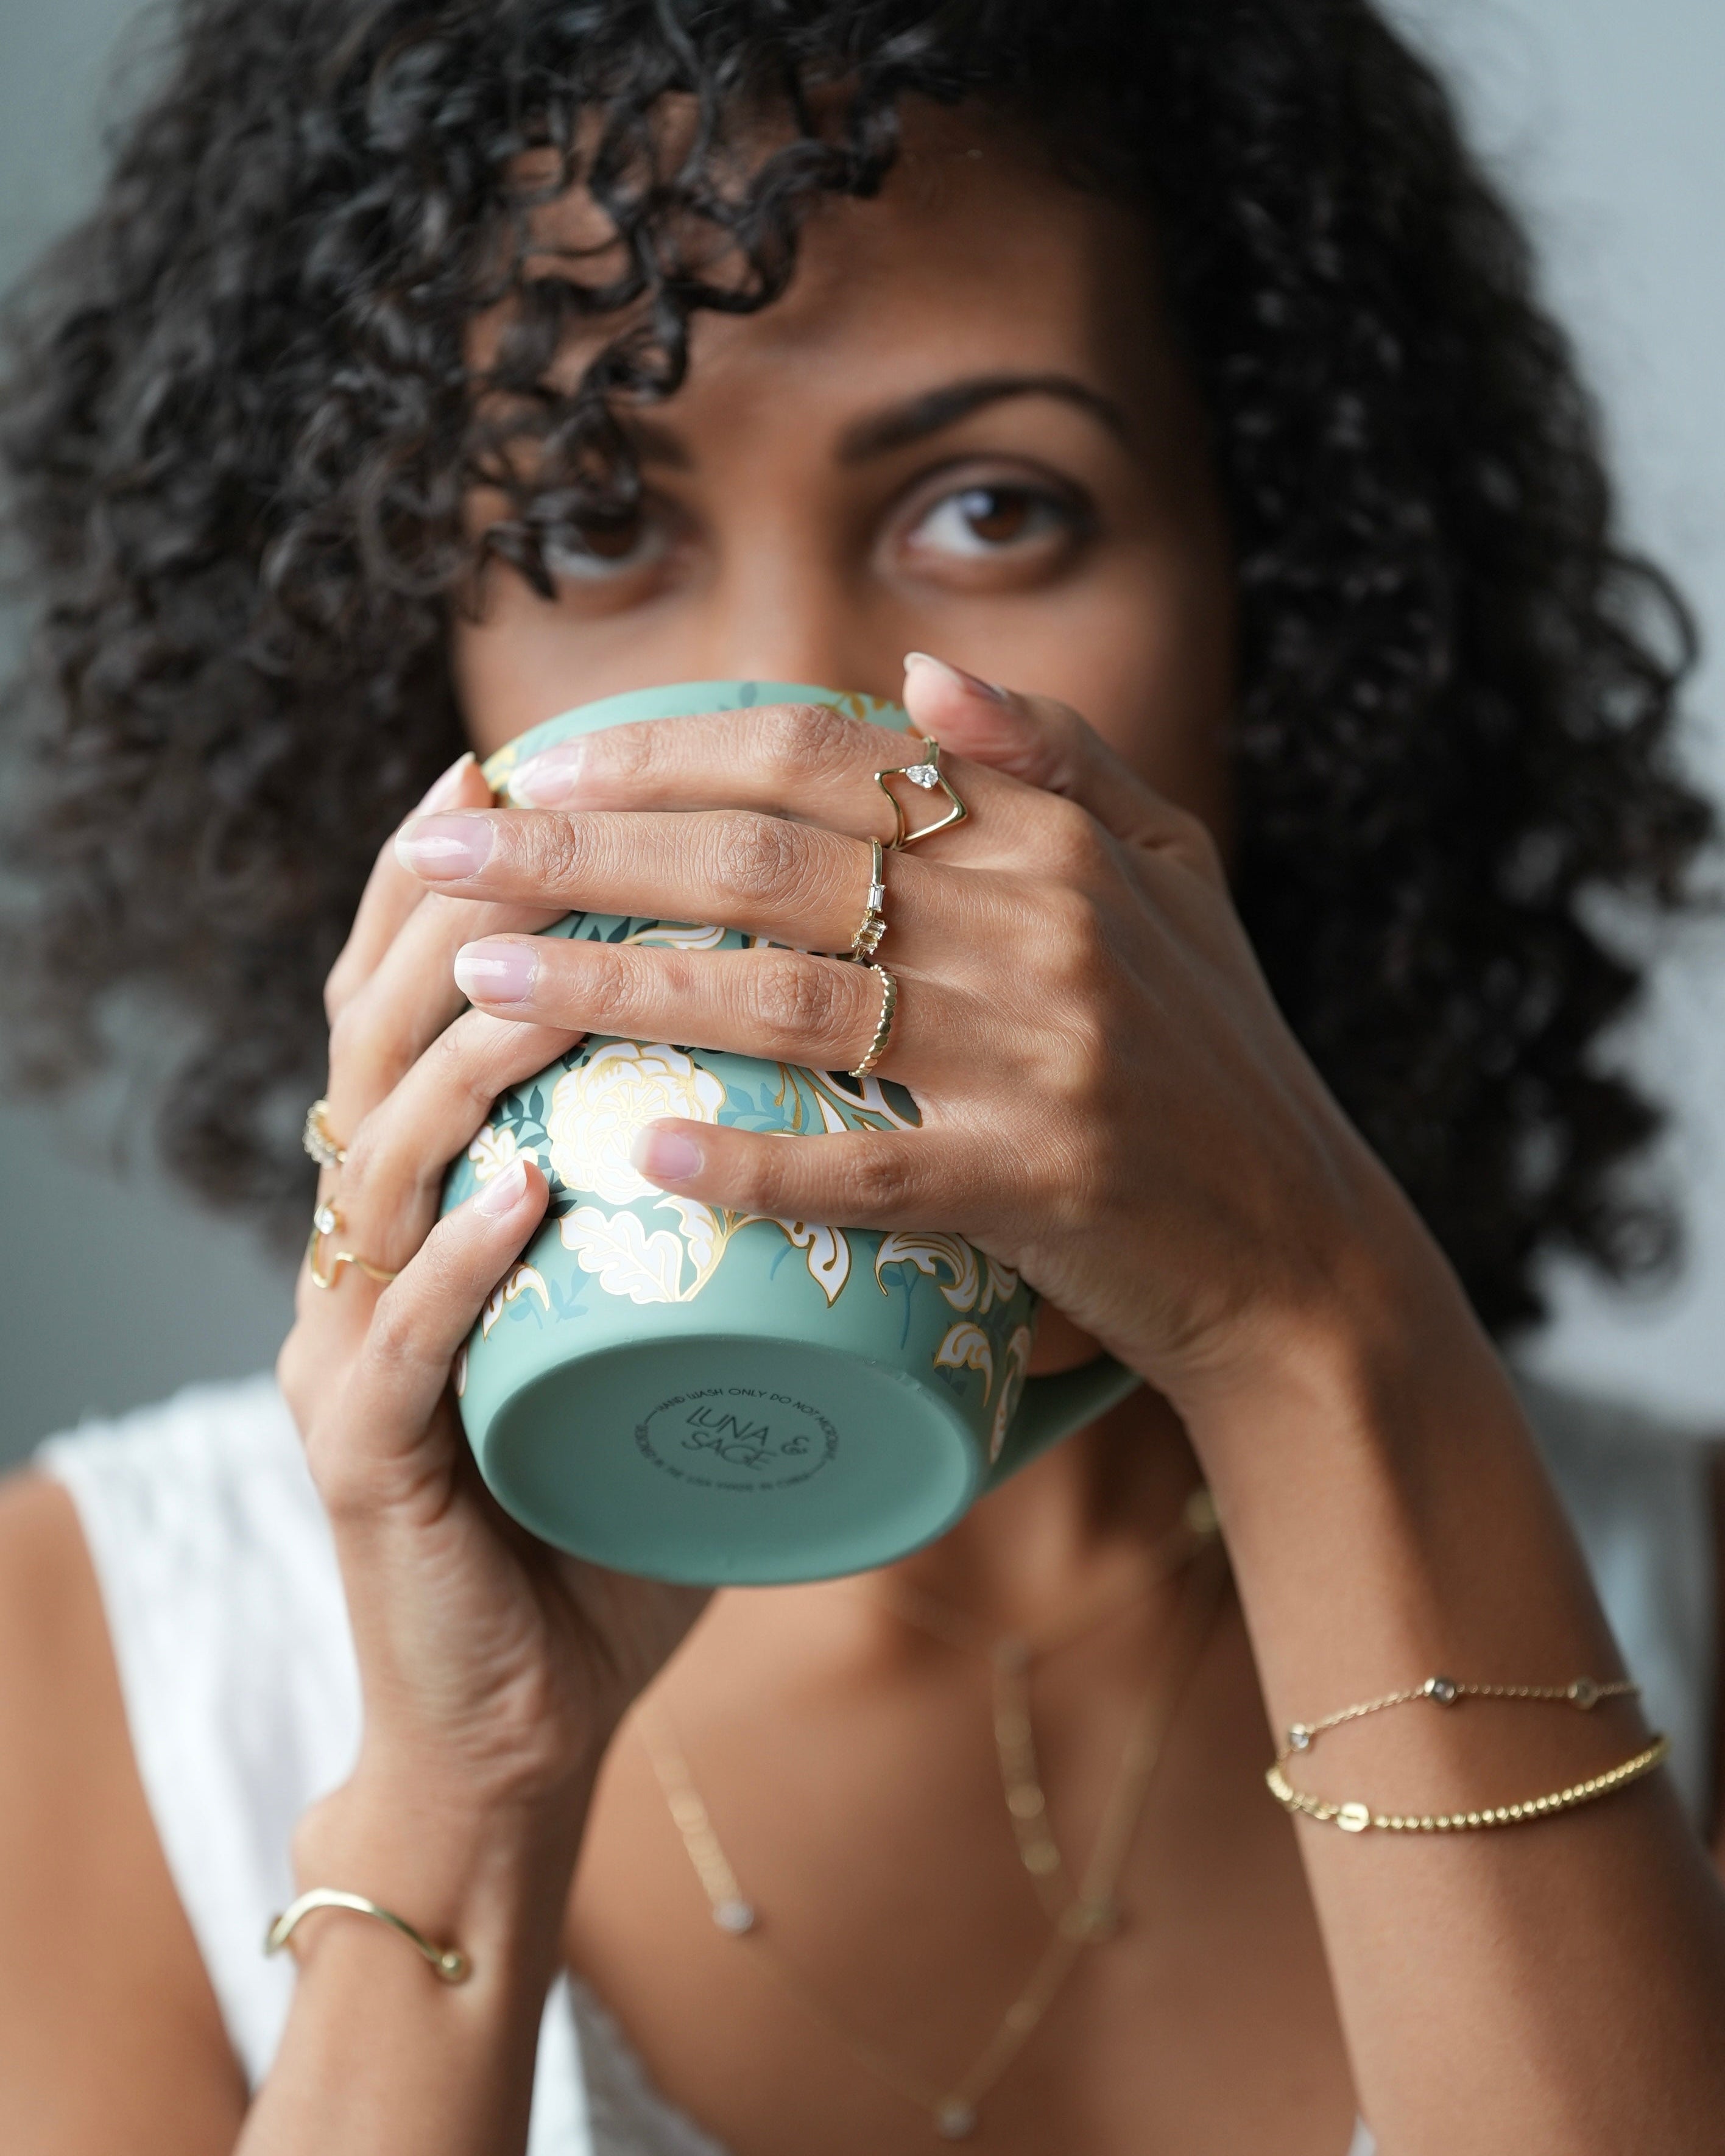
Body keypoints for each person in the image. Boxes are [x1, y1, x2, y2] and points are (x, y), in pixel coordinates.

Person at [0, 2, 1721, 2151]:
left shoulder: (1688, 1593)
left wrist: (1321, 1342)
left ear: (1282, 612)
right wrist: (460, 1798)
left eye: (997, 507)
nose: (802, 721)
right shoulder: (101, 1656)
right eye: (592, 519)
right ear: (407, 656)